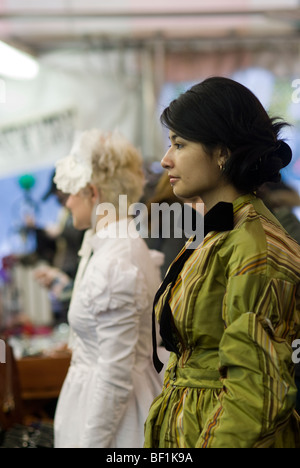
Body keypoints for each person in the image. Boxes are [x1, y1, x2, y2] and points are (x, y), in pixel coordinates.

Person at [144, 77, 300, 448]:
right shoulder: (219, 232)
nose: (166, 160)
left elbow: (256, 392)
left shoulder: (254, 246)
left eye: (179, 144)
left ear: (222, 153)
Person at [53, 129, 164, 448]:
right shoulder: (113, 246)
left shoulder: (116, 260)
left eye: (72, 192)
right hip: (101, 405)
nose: (68, 202)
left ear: (93, 192)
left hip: (117, 423)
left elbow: (116, 374)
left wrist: (92, 443)